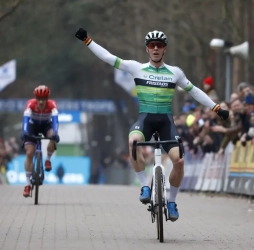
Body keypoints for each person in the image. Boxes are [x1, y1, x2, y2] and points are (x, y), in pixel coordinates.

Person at [75, 28, 229, 221]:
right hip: (145, 120)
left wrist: (216, 108)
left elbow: (195, 91)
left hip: (166, 122)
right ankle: (144, 187)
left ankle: (172, 201)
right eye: (152, 45)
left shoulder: (175, 72)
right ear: (147, 49)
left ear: (164, 49)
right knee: (133, 142)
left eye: (159, 45)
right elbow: (108, 57)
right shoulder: (136, 68)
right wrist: (88, 41)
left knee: (179, 161)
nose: (155, 48)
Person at [21, 85, 60, 197]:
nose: (41, 101)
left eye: (44, 98)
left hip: (46, 126)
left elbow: (55, 120)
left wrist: (55, 133)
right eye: (39, 98)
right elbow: (26, 119)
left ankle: (47, 159)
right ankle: (28, 185)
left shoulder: (52, 104)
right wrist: (24, 131)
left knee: (52, 135)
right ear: (35, 98)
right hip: (33, 126)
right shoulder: (30, 104)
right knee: (29, 153)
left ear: (48, 98)